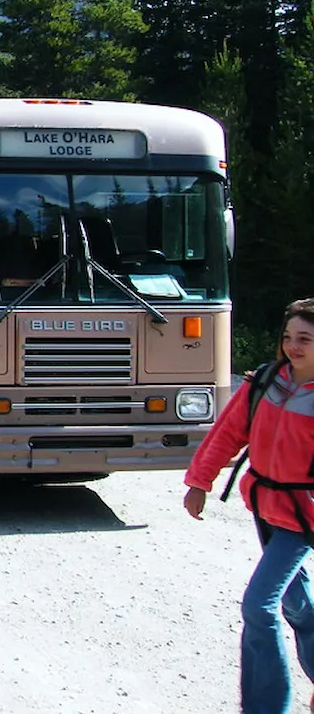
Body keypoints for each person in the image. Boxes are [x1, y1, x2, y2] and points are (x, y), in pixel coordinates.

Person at [184, 298, 314, 714]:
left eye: (305, 339)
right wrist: (199, 481)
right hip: (266, 509)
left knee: (259, 604)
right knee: (297, 605)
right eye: (289, 337)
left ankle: (265, 707)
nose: (293, 346)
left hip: (303, 517)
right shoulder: (264, 381)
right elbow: (226, 434)